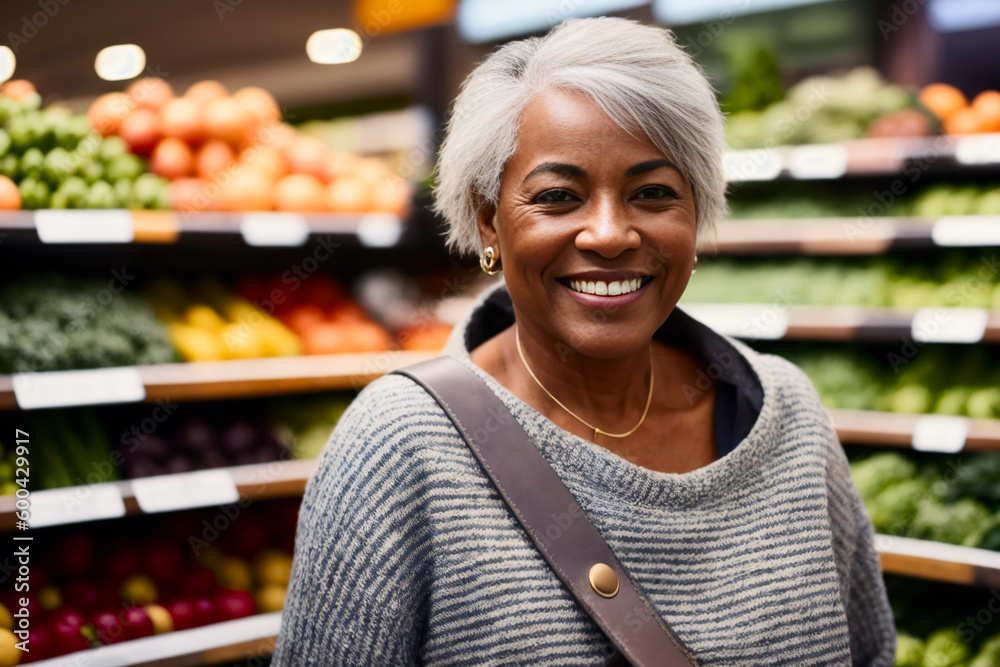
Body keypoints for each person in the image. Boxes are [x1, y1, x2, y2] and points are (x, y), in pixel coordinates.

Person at [272, 16, 895, 666]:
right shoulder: (396, 453)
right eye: (559, 196)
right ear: (489, 221)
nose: (608, 233)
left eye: (653, 193)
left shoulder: (788, 419)